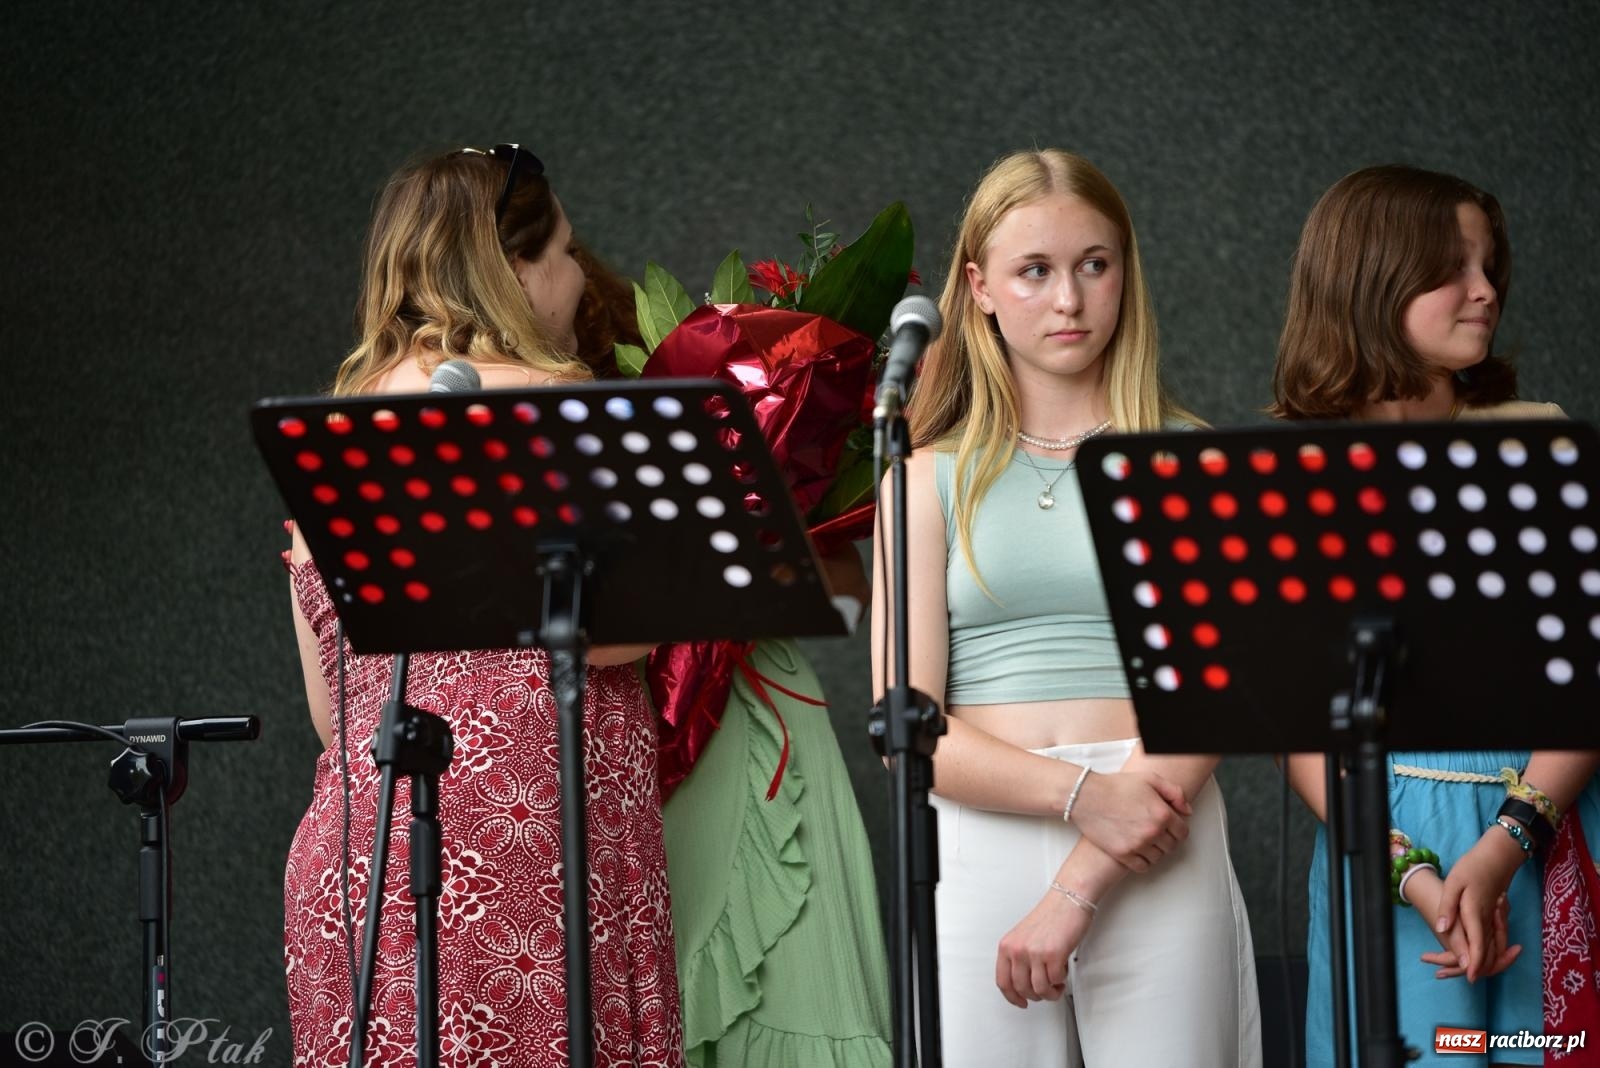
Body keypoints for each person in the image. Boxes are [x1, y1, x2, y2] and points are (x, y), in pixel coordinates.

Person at [282, 145, 684, 1067]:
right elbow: (619, 636)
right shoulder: (556, 403)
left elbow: (330, 705)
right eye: (568, 253)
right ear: (511, 269)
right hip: (532, 860)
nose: (581, 276)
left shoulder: (330, 433)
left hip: (361, 859)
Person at [872, 148, 1261, 1066]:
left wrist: (1083, 877)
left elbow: (1212, 691)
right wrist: (1083, 797)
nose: (1071, 301)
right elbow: (907, 722)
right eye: (1034, 271)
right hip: (984, 835)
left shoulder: (1189, 459)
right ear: (980, 289)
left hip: (1158, 827)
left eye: (1095, 264)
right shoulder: (924, 477)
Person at [1273, 163, 1600, 1066]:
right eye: (1454, 267)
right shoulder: (1291, 476)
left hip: (1544, 826)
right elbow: (1303, 733)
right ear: (1372, 276)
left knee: (1550, 1049)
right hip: (1385, 841)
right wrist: (1410, 872)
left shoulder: (1543, 439)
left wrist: (1505, 847)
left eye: (1490, 266)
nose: (1486, 290)